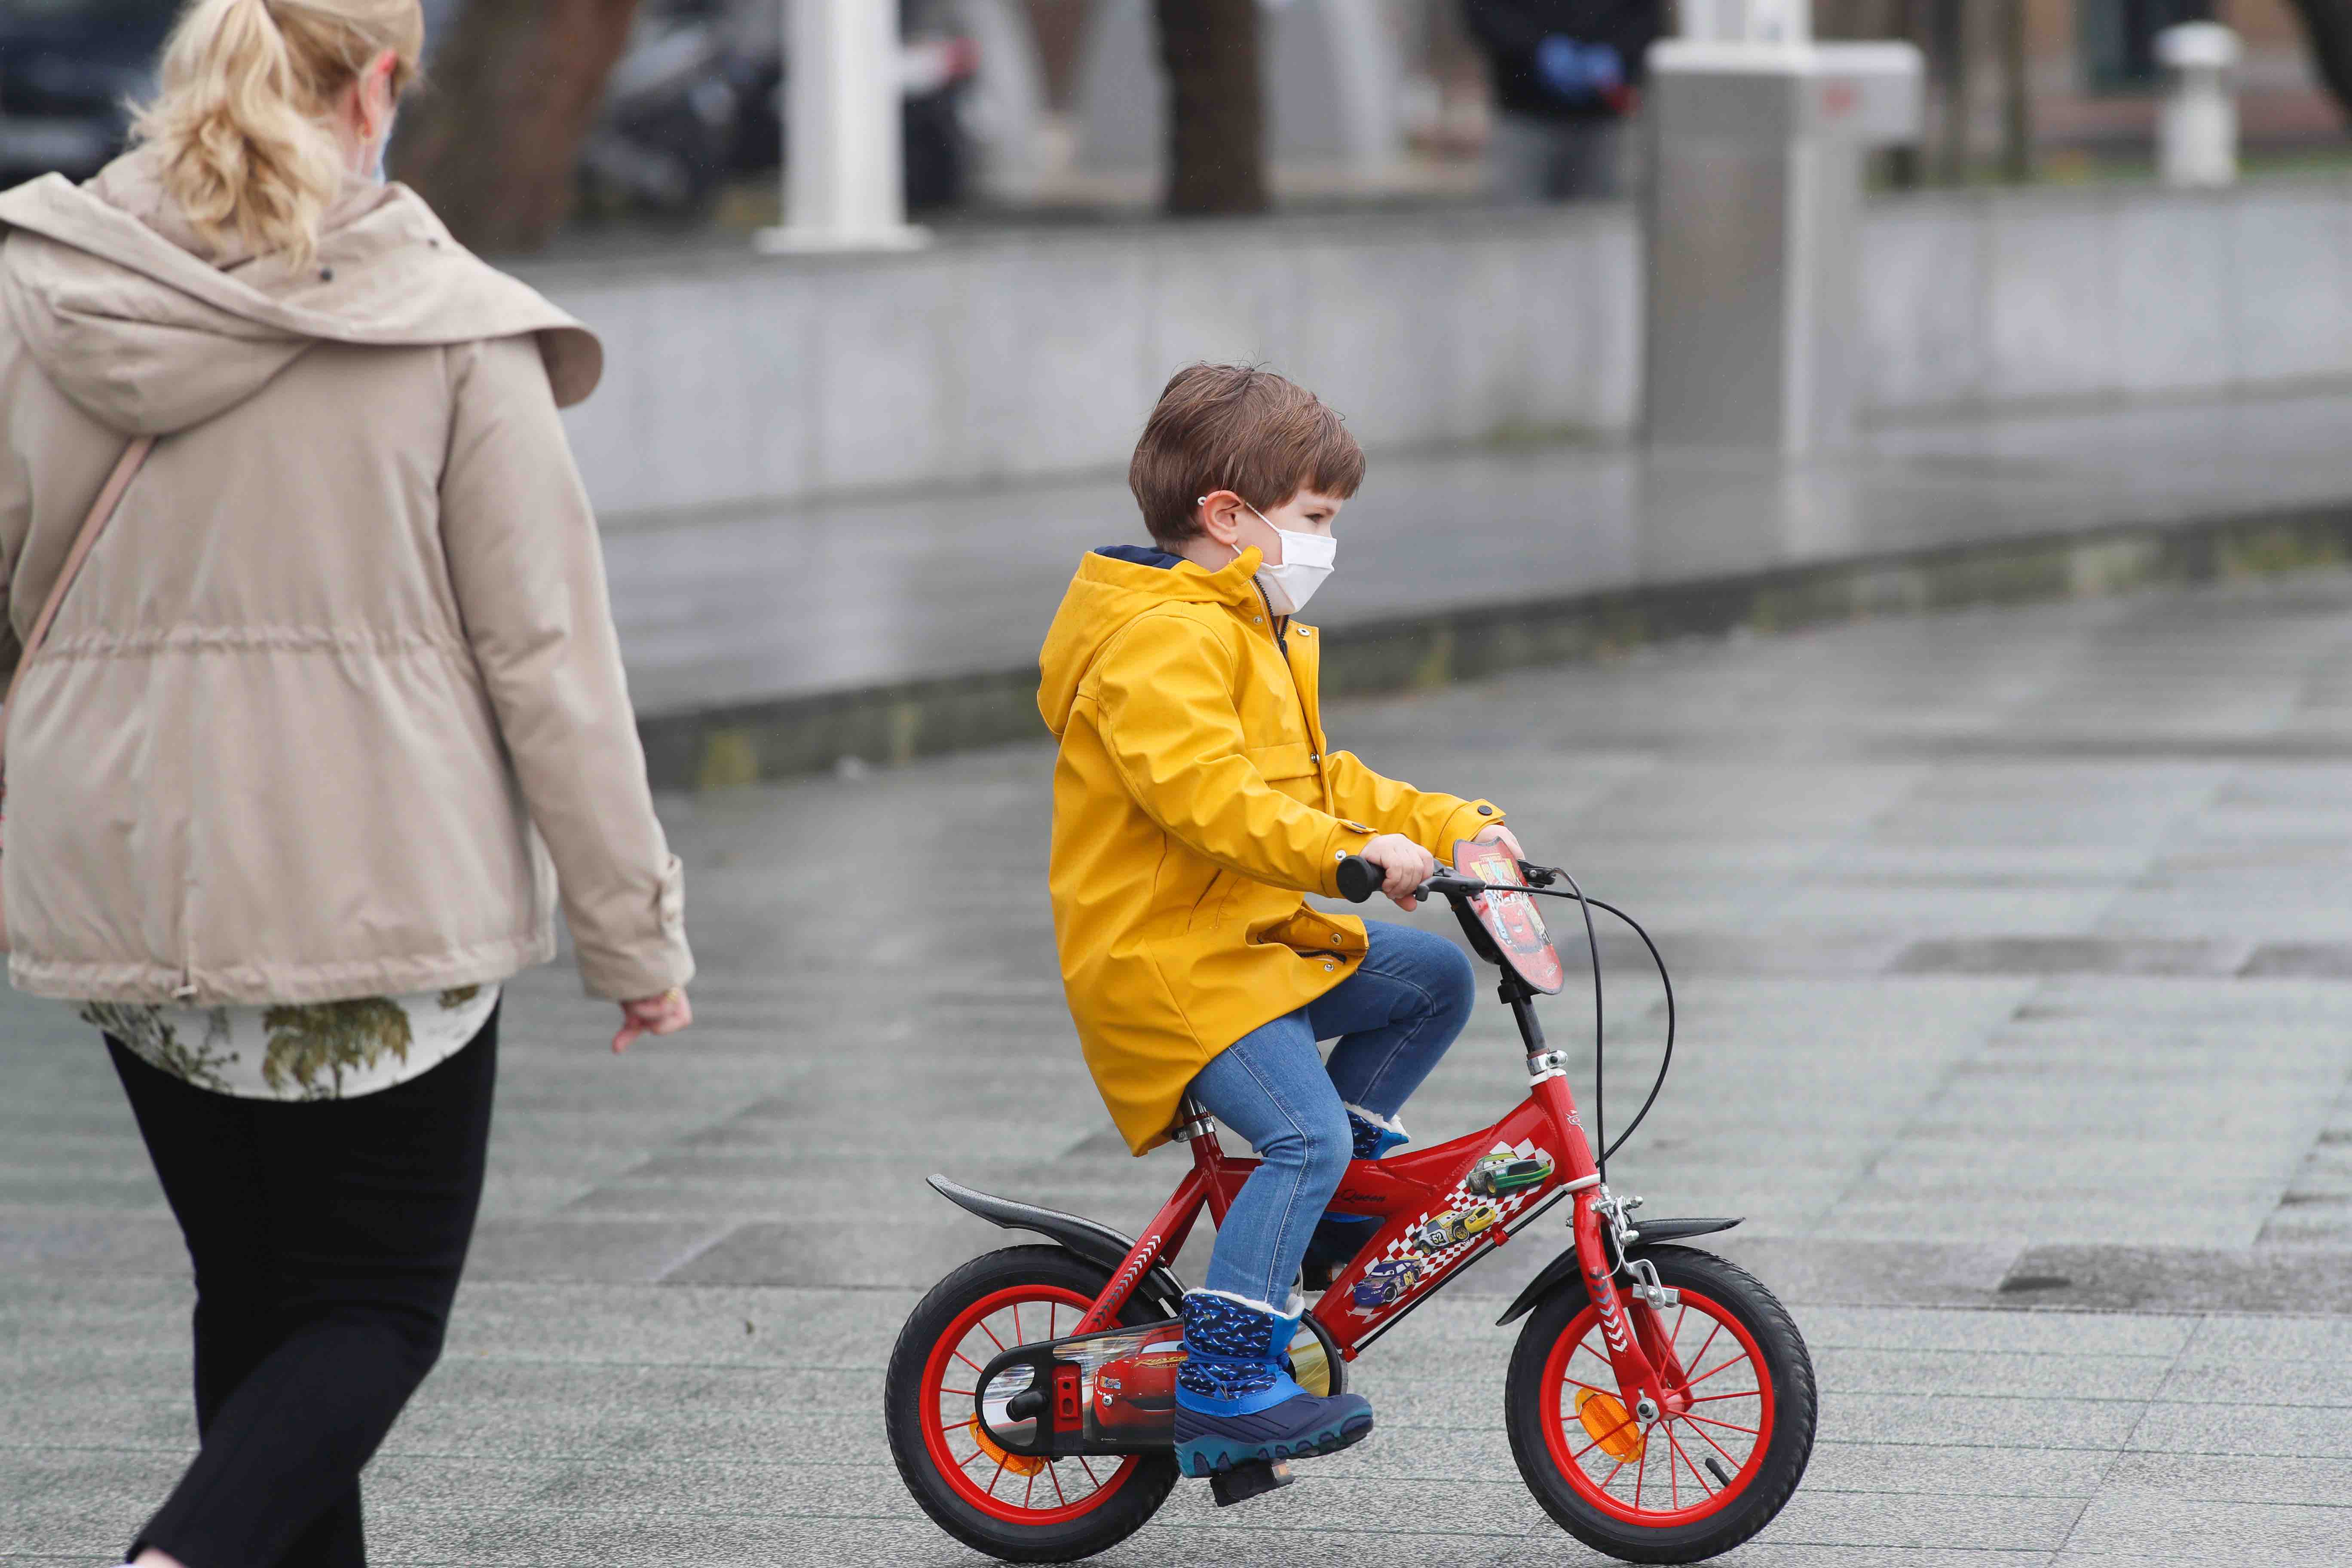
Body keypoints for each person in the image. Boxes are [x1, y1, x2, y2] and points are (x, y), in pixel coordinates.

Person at [0, 1, 695, 1562]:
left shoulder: (35, 295)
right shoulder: (445, 323)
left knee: (257, 1301)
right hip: (383, 890)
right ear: (380, 83)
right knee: (375, 1304)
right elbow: (551, 663)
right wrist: (631, 933)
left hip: (121, 884)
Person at [1036, 364, 1518, 1479]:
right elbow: (1210, 799)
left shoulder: (1255, 625)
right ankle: (1221, 1377)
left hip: (1242, 944)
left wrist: (1449, 826)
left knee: (1431, 981)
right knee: (1306, 1133)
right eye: (1314, 520)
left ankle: (1334, 1209)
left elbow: (1313, 777)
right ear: (1226, 517)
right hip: (1168, 962)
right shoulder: (1163, 639)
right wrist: (1348, 860)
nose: (1325, 545)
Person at [1462, 0, 1664, 201]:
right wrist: (1533, 48)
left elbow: (1647, 16)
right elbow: (1484, 11)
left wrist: (1619, 52)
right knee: (1516, 224)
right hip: (1523, 118)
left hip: (1604, 121)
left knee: (1602, 223)